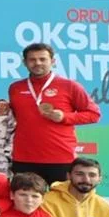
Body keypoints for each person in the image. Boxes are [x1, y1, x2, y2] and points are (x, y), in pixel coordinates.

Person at [9, 43, 101, 184]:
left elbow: (94, 114)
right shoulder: (15, 88)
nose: (37, 63)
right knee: (24, 198)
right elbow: (15, 116)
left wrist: (65, 117)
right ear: (24, 62)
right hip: (24, 157)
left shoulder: (70, 86)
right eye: (32, 59)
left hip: (60, 157)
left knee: (62, 198)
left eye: (42, 59)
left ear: (52, 61)